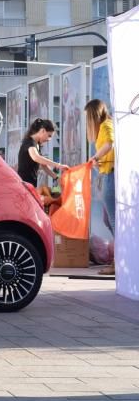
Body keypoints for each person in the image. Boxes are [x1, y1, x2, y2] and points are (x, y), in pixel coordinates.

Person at [83, 99, 115, 275]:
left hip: (111, 175)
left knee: (114, 221)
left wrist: (94, 157)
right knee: (107, 219)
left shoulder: (106, 125)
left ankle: (117, 263)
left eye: (89, 117)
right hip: (107, 174)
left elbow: (110, 143)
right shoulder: (105, 125)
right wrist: (98, 161)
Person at [16, 119, 64, 186]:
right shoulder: (29, 142)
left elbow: (43, 165)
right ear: (43, 130)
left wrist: (56, 178)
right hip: (24, 185)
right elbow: (36, 157)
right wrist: (57, 165)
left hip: (30, 185)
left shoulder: (36, 144)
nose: (49, 139)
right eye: (49, 136)